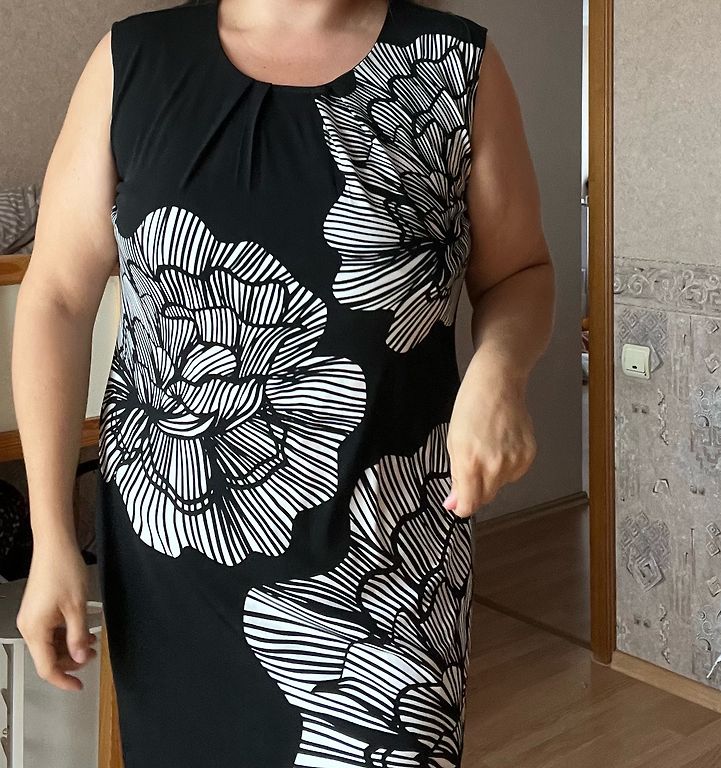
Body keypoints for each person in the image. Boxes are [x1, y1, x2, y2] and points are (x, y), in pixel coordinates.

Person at [12, 0, 555, 764]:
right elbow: (57, 300)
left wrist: (501, 368)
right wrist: (50, 539)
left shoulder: (453, 63)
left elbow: (521, 271)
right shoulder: (131, 63)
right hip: (173, 567)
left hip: (391, 565)